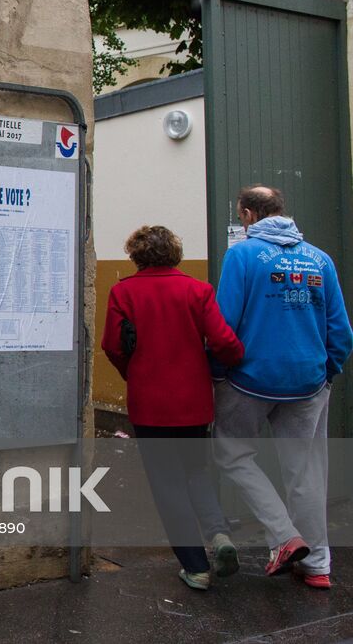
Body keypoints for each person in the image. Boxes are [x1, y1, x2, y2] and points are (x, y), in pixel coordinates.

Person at [212, 185, 351, 589]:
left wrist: (220, 373)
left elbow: (225, 325)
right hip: (307, 382)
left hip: (250, 381)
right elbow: (340, 330)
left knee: (233, 455)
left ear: (251, 215)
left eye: (241, 215)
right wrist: (326, 375)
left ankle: (285, 536)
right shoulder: (319, 260)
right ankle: (318, 566)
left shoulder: (242, 255)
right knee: (305, 471)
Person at [102, 225, 244, 591]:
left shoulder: (123, 292)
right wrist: (233, 361)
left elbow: (113, 346)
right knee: (196, 471)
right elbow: (224, 341)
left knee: (167, 485)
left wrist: (132, 372)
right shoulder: (198, 290)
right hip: (194, 403)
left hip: (150, 405)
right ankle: (219, 535)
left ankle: (196, 567)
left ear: (135, 255)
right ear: (175, 253)